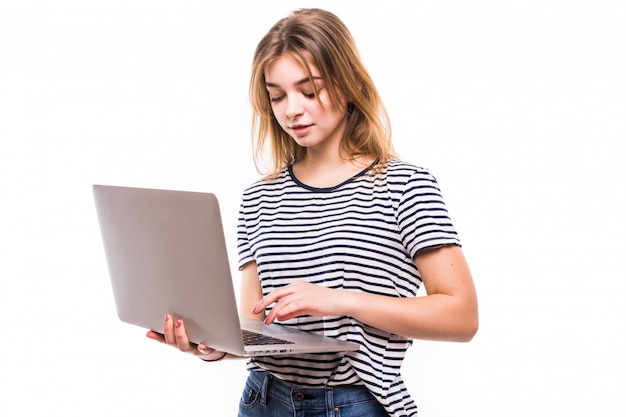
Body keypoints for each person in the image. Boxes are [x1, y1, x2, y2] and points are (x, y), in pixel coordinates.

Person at [147, 7, 478, 417]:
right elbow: (255, 326)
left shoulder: (404, 185)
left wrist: (341, 301)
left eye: (309, 90)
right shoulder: (258, 198)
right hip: (263, 399)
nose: (292, 110)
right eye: (278, 95)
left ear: (348, 84)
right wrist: (212, 346)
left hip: (355, 403)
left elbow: (462, 316)